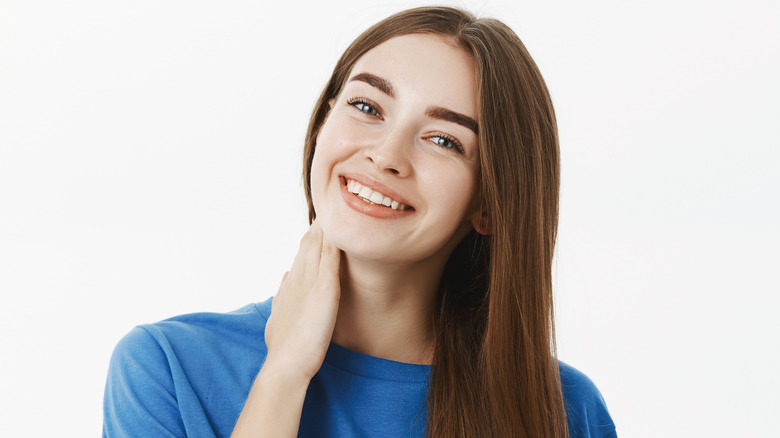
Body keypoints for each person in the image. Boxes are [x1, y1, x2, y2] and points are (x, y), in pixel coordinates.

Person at [103, 6, 616, 438]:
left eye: (444, 140)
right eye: (367, 106)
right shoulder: (167, 369)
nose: (386, 155)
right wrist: (282, 376)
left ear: (490, 203)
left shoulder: (564, 412)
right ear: (325, 121)